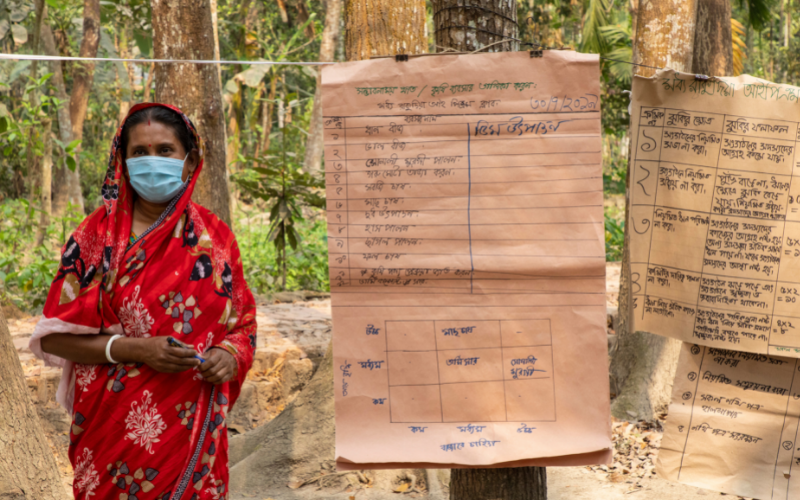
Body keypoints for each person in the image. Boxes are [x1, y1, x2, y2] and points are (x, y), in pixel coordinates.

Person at [29, 103, 257, 500]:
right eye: (140, 152)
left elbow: (243, 325)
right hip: (111, 430)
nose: (152, 162)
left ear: (189, 161)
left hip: (192, 430)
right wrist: (136, 350)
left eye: (165, 151)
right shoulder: (95, 238)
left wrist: (228, 354)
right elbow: (52, 339)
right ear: (123, 161)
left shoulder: (215, 238)